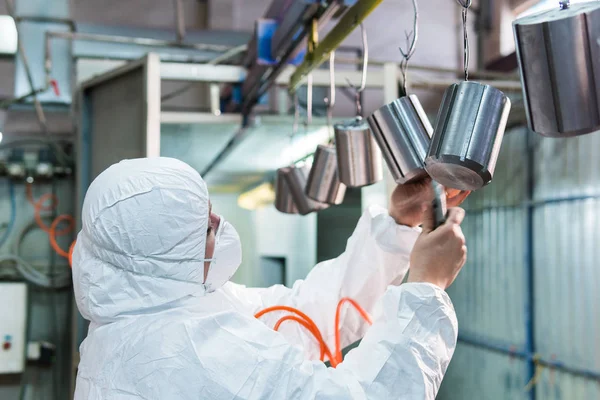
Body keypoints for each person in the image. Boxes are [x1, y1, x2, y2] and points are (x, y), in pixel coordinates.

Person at [72, 157, 469, 400]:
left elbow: (299, 317)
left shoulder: (157, 309)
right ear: (161, 257)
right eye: (200, 226)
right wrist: (426, 289)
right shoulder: (188, 350)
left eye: (207, 208)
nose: (216, 220)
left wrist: (397, 228)